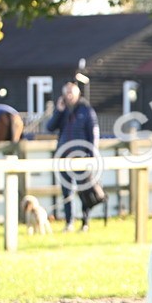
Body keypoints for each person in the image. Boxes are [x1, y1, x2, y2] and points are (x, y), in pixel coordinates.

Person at [46, 81, 100, 232]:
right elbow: (50, 127)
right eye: (67, 93)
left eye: (72, 93)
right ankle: (69, 222)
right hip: (64, 157)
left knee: (84, 191)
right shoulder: (62, 112)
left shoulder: (86, 110)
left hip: (82, 157)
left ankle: (85, 222)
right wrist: (58, 111)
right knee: (66, 192)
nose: (69, 96)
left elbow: (93, 133)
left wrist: (92, 155)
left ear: (78, 94)